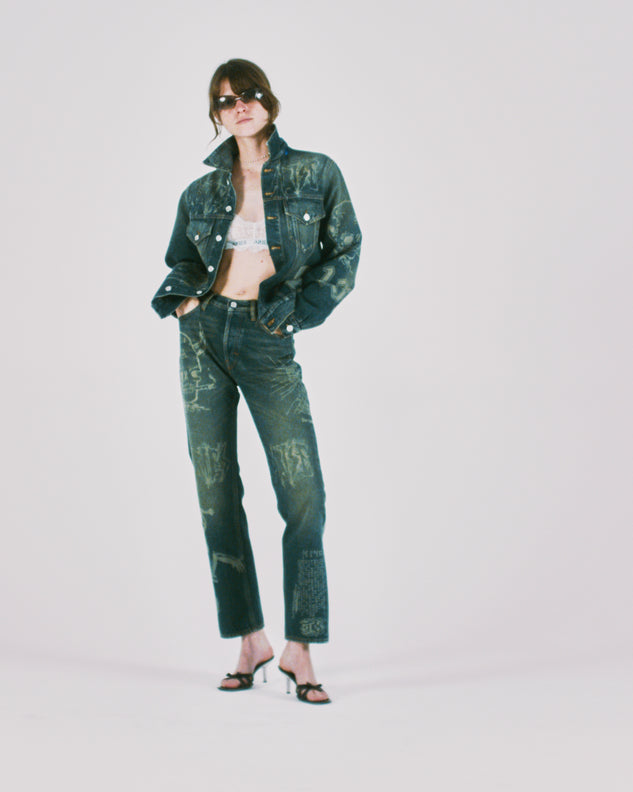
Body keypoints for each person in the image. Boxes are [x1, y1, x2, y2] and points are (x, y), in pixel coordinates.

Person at [151, 58, 361, 705]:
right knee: (216, 492)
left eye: (247, 94)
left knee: (303, 495)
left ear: (268, 101)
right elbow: (181, 259)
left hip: (268, 339)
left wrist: (297, 312)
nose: (238, 105)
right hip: (203, 341)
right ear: (215, 115)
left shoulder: (315, 173)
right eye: (225, 100)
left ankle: (301, 647)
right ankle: (249, 640)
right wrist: (186, 305)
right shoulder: (200, 191)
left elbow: (345, 250)